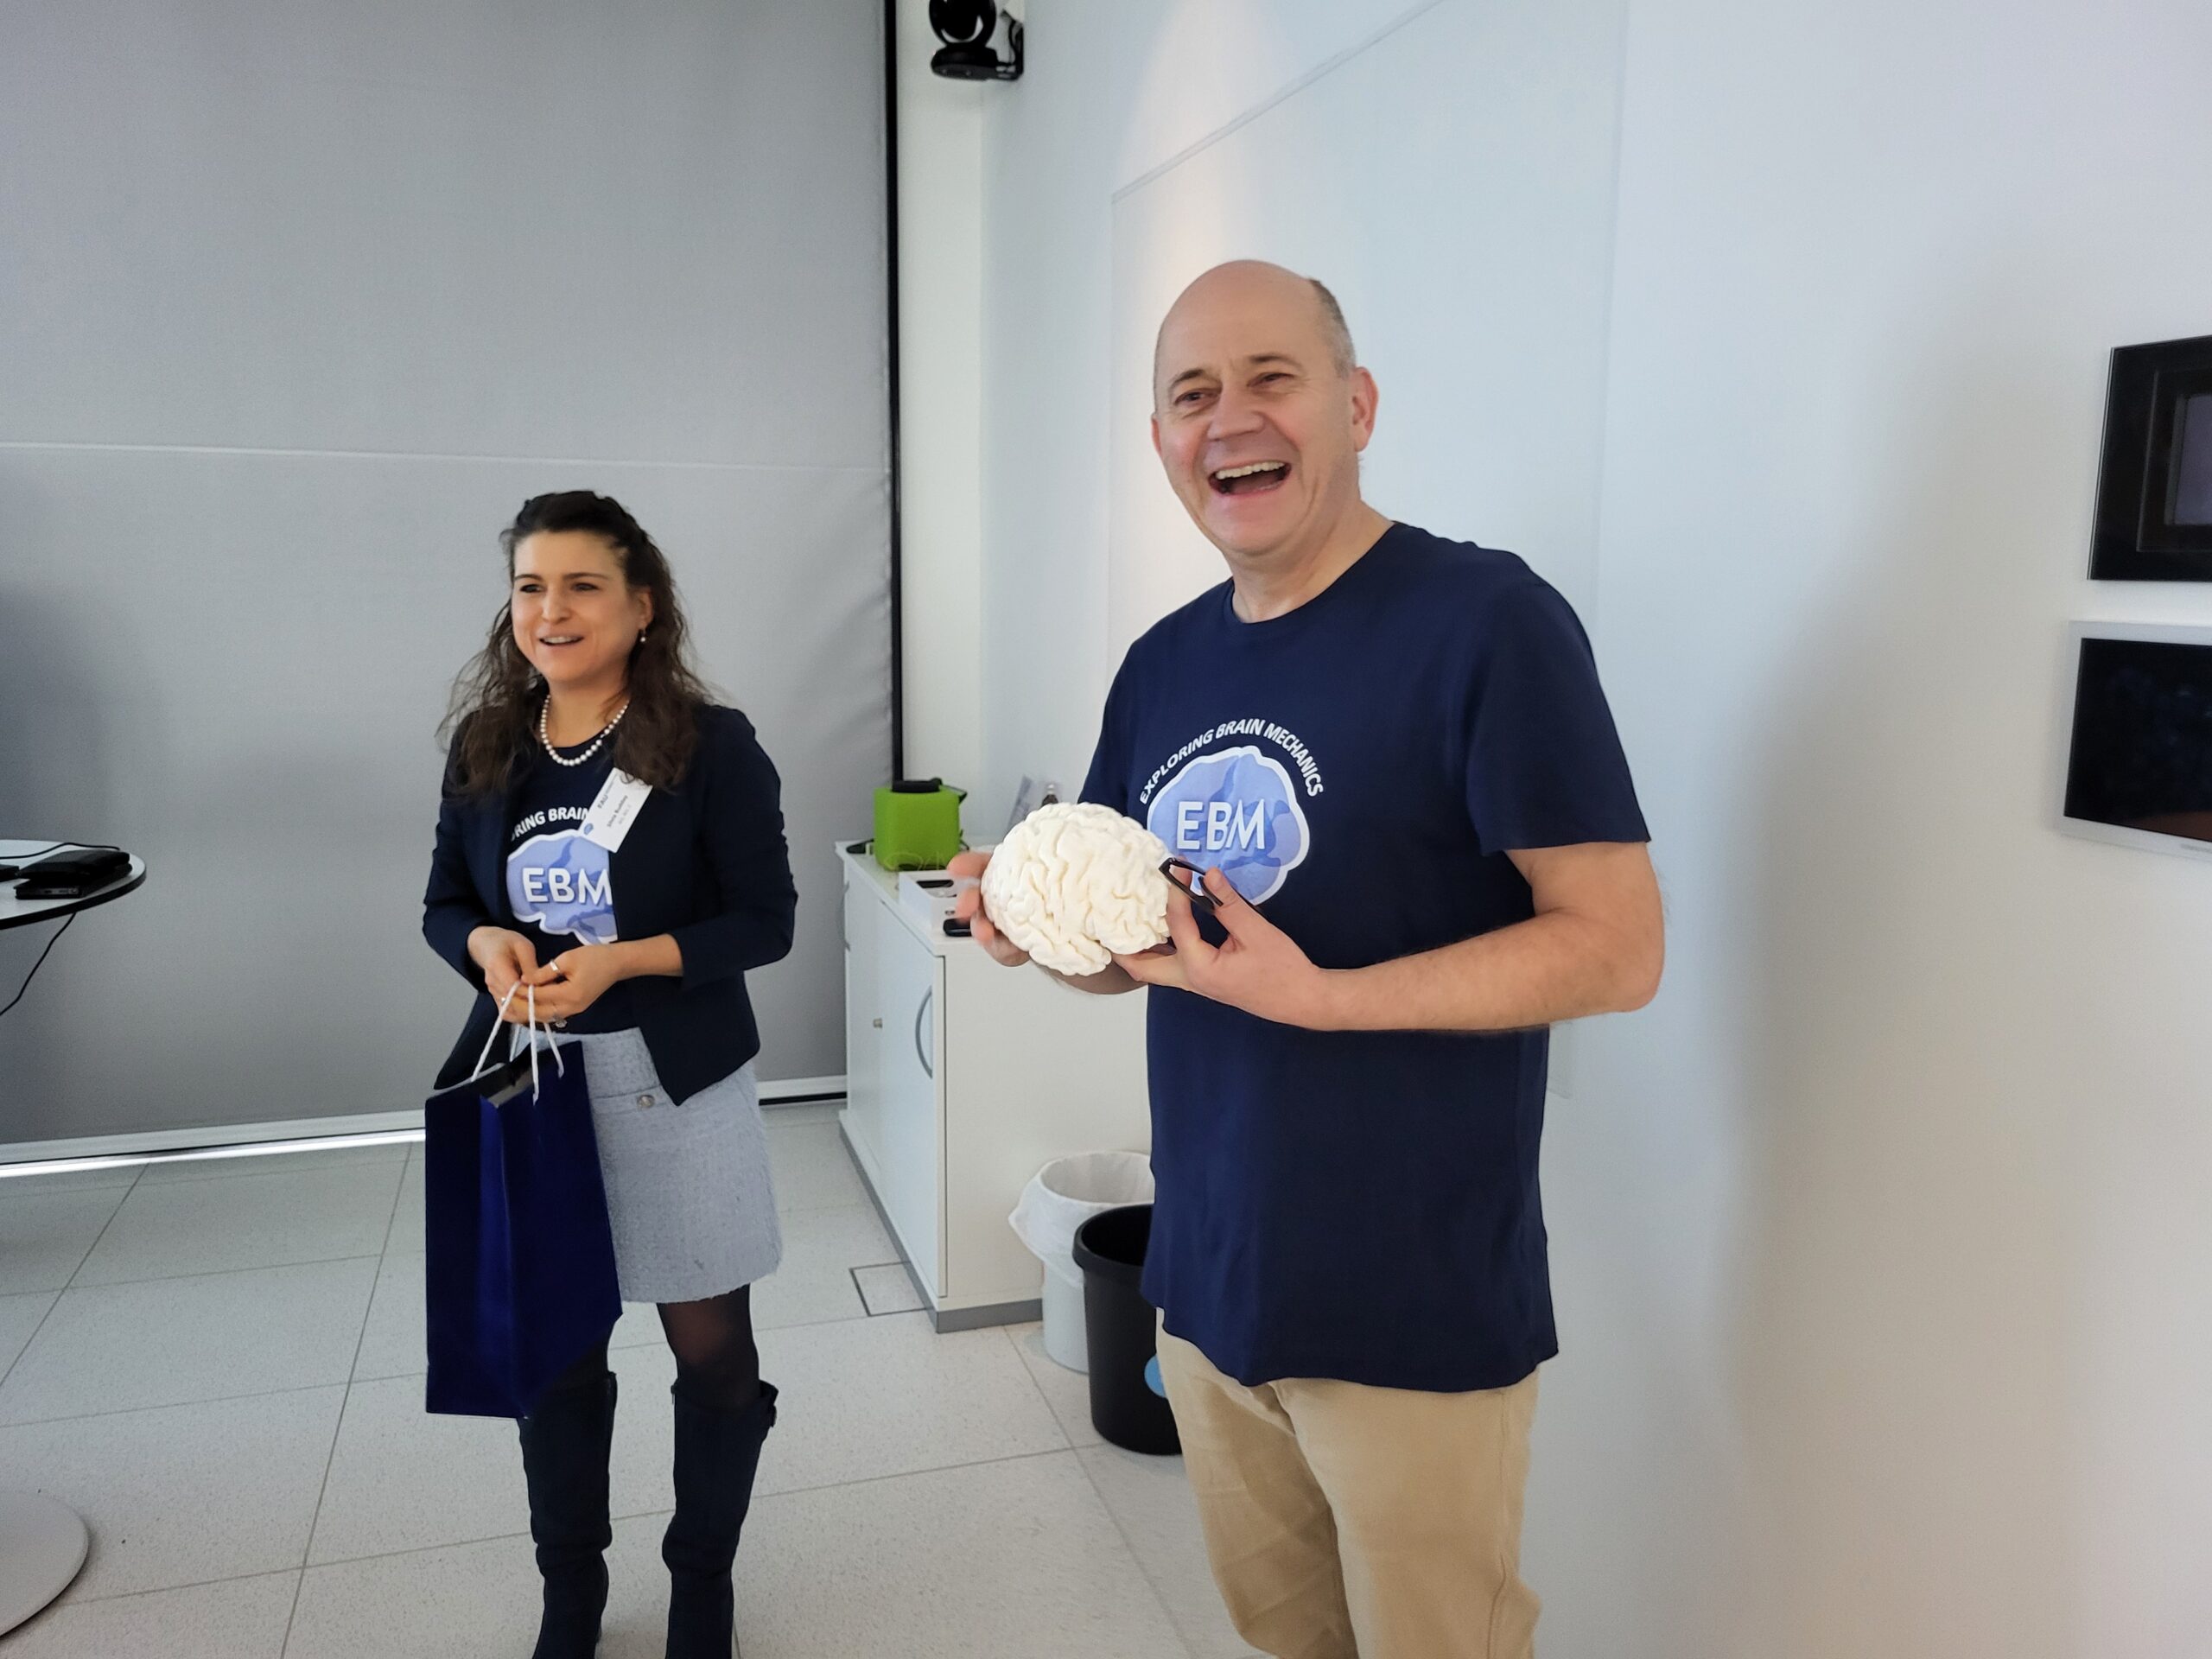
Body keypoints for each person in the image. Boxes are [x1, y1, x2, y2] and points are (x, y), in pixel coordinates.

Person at [953, 262, 1662, 1659]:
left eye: (1271, 379)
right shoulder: (1162, 666)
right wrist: (1038, 933)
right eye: (1190, 395)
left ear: (1356, 404)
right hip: (1211, 1277)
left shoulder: (1484, 622)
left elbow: (1617, 947)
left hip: (1413, 1299)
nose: (1230, 422)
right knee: (1286, 1641)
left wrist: (1327, 1002)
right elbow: (1144, 953)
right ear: (1160, 440)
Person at [423, 490, 797, 1659]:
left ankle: (703, 1586)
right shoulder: (487, 747)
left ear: (641, 607)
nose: (552, 609)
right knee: (559, 1352)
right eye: (532, 585)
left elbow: (767, 921)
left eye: (583, 585)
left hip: (675, 1085)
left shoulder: (709, 745)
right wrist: (485, 947)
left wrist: (628, 959)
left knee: (714, 1353)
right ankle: (572, 1591)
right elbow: (446, 906)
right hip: (540, 1091)